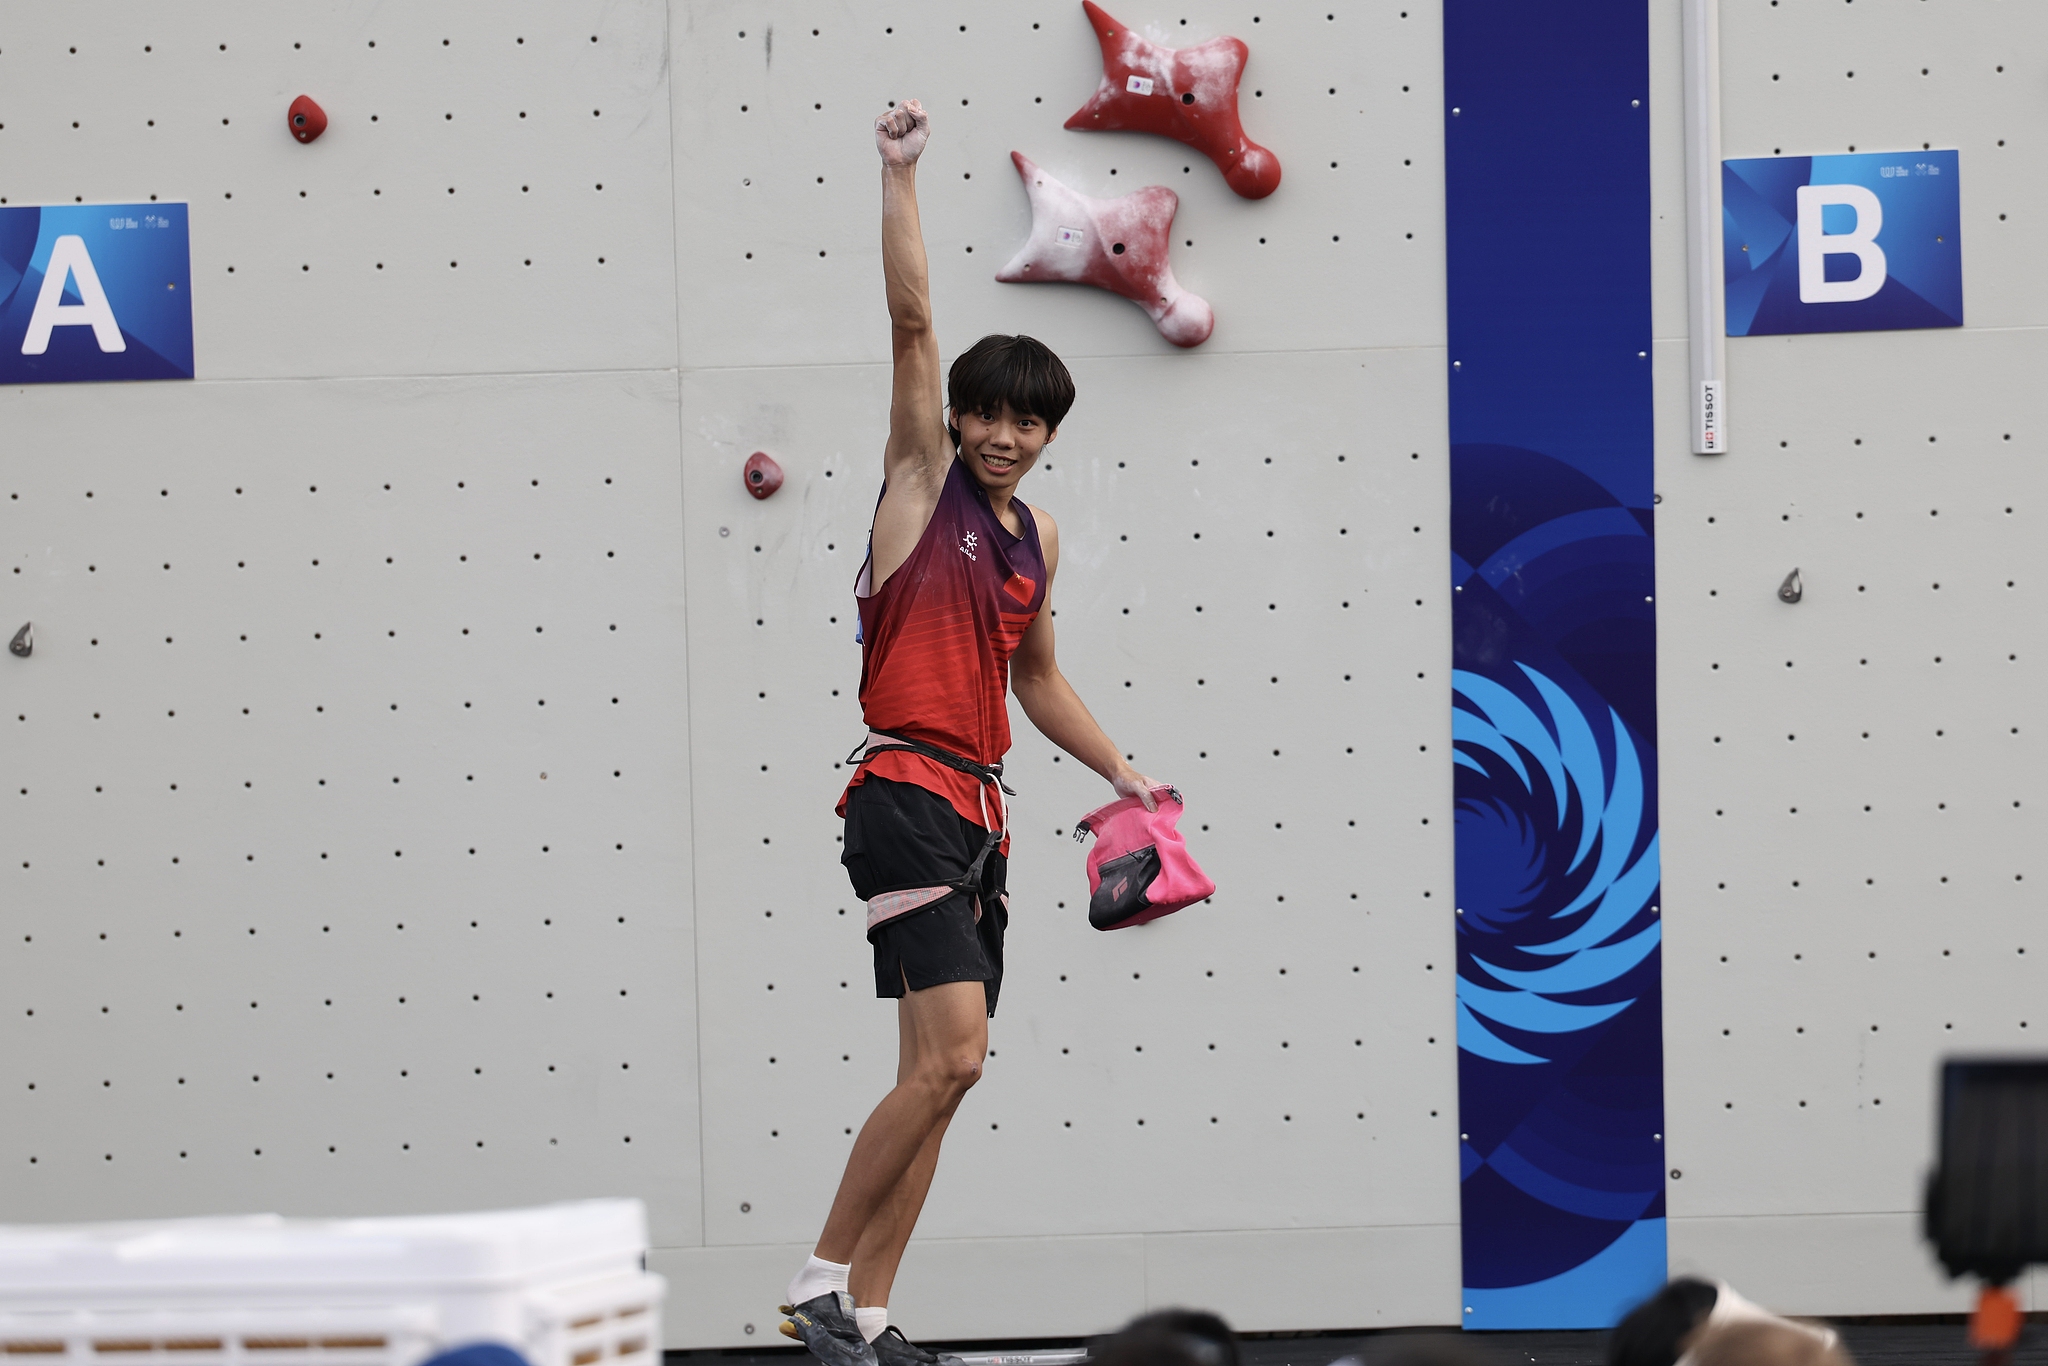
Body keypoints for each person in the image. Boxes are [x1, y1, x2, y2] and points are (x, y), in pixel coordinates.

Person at [779, 97, 1165, 1366]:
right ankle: (817, 1282)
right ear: (955, 418)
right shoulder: (913, 480)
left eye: (1027, 422)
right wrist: (897, 175)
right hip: (901, 792)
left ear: (1049, 435)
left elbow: (1037, 679)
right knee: (951, 1054)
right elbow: (909, 320)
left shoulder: (1033, 538)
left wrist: (1123, 773)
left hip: (981, 815)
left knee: (949, 1074)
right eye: (985, 414)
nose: (1002, 435)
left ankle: (873, 1314)